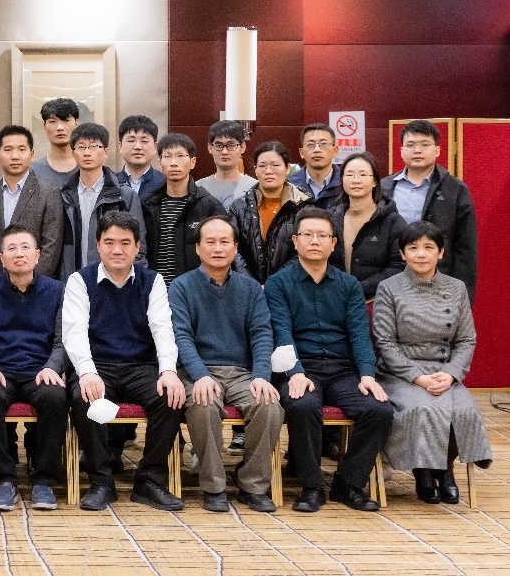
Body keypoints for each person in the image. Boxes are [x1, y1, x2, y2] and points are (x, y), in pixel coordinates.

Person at [268, 206, 393, 512]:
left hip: (342, 370)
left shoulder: (349, 286)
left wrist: (367, 374)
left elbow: (359, 335)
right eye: (308, 234)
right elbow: (281, 333)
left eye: (322, 236)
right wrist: (296, 372)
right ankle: (311, 487)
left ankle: (348, 484)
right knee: (302, 404)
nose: (315, 241)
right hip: (300, 367)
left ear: (333, 243)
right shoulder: (278, 284)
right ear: (295, 241)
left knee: (378, 409)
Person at [63, 211, 185, 512]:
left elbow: (163, 328)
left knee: (171, 397)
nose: (117, 250)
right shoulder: (80, 280)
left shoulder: (152, 281)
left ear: (137, 246)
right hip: (98, 366)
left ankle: (149, 480)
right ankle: (101, 482)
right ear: (98, 245)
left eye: (125, 243)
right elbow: (74, 332)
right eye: (109, 242)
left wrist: (168, 371)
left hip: (140, 367)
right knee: (83, 398)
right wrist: (87, 372)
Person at [373, 221, 491, 505]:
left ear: (441, 253)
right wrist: (417, 377)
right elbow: (385, 342)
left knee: (464, 410)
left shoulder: (457, 288)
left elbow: (466, 340)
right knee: (423, 407)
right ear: (402, 254)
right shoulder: (389, 288)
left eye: (429, 247)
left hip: (442, 369)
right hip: (401, 373)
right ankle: (424, 472)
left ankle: (445, 468)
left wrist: (450, 374)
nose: (421, 254)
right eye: (413, 248)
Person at [170, 217, 281, 513]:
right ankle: (213, 485)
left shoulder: (251, 289)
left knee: (269, 405)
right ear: (197, 248)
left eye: (224, 242)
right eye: (210, 242)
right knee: (203, 404)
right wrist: (200, 375)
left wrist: (262, 375)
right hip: (198, 371)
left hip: (242, 374)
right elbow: (181, 336)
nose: (217, 248)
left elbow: (262, 334)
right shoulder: (181, 286)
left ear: (235, 248)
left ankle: (252, 484)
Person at [0, 224, 68, 511]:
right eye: (11, 249)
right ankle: (4, 479)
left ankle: (43, 480)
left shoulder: (57, 291)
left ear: (37, 255)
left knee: (55, 397)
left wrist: (53, 367)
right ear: (1, 258)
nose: (19, 254)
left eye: (25, 247)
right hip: (0, 371)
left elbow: (63, 341)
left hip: (40, 370)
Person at [380, 119, 477, 301]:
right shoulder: (383, 188)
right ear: (401, 151)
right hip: (391, 282)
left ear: (437, 150)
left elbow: (466, 248)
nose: (417, 150)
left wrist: (462, 297)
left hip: (439, 284)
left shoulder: (455, 189)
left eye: (425, 144)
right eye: (410, 145)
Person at [59, 123, 146, 279]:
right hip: (72, 282)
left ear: (106, 151)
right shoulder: (63, 195)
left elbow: (138, 248)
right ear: (73, 153)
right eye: (81, 147)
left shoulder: (124, 195)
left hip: (113, 281)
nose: (87, 153)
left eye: (94, 146)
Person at [142, 133, 227, 287]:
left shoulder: (209, 205)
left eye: (180, 156)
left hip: (194, 290)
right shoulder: (148, 205)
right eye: (167, 156)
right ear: (160, 162)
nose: (174, 163)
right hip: (155, 290)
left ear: (193, 162)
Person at [0, 124, 62, 278]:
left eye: (21, 149)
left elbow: (51, 247)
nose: (15, 156)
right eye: (8, 150)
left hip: (36, 283)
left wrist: (29, 282)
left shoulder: (48, 193)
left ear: (31, 154)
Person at [230, 141, 311, 284]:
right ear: (255, 170)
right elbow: (233, 248)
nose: (268, 171)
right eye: (262, 166)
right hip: (248, 288)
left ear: (287, 168)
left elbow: (304, 250)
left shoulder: (303, 206)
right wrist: (252, 285)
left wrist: (274, 284)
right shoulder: (239, 207)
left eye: (275, 165)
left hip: (291, 286)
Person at [329, 152, 406, 299]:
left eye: (363, 175)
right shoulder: (330, 219)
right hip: (335, 299)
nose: (356, 180)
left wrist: (359, 288)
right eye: (349, 175)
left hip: (378, 301)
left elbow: (399, 267)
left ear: (375, 181)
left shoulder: (392, 221)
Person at [198, 120, 257, 209]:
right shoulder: (199, 188)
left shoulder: (255, 188)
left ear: (242, 147)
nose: (224, 152)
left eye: (231, 145)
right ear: (210, 148)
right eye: (218, 145)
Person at [288, 123, 343, 209]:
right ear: (301, 153)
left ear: (335, 151)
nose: (317, 150)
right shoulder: (289, 186)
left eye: (323, 144)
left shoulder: (346, 183)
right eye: (310, 144)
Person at [30, 97, 80, 189]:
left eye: (66, 120)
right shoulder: (32, 171)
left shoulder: (89, 167)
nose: (60, 128)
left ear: (76, 124)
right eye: (52, 121)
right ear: (44, 125)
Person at [113, 115, 165, 199]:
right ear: (120, 146)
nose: (138, 147)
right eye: (131, 141)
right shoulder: (109, 184)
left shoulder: (165, 184)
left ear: (155, 147)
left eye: (144, 141)